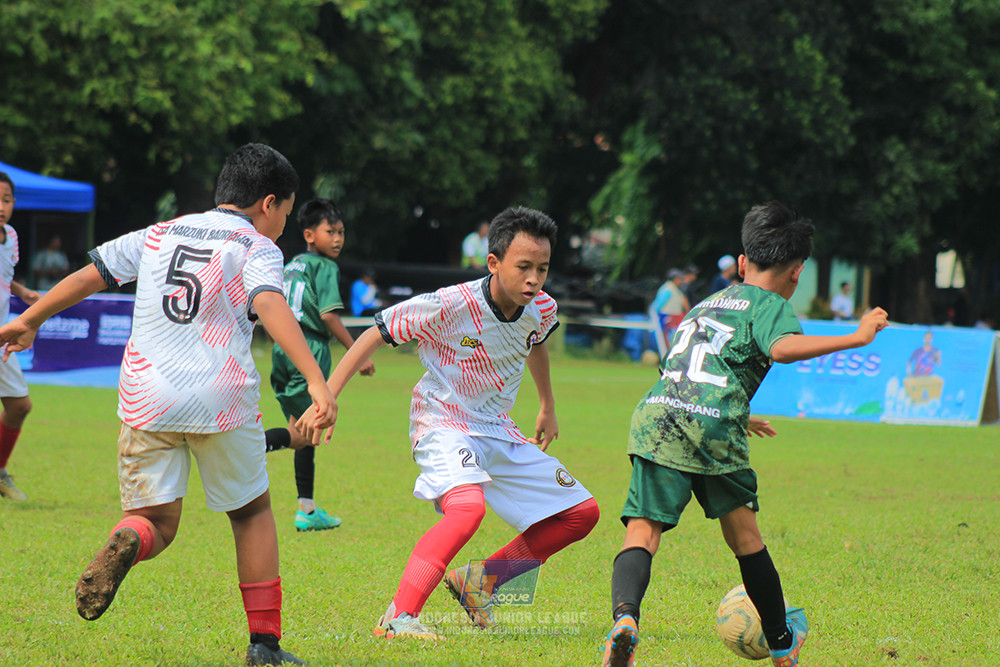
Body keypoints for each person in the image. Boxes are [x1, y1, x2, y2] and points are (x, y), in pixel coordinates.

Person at [0, 144, 337, 666]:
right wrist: (318, 381)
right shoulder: (256, 246)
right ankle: (264, 646)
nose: (283, 227)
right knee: (251, 513)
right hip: (221, 398)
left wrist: (32, 318)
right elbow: (268, 302)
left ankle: (126, 536)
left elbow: (94, 274)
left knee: (154, 520)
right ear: (268, 203)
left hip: (147, 394)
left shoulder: (159, 232)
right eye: (287, 216)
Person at [601, 201, 889, 667]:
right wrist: (855, 337)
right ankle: (780, 644)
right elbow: (784, 348)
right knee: (745, 539)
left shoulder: (707, 301)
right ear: (797, 273)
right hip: (710, 426)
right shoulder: (769, 304)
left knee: (643, 528)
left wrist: (740, 413)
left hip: (659, 416)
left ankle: (625, 621)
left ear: (741, 263)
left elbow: (682, 367)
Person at [302, 206, 599, 639]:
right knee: (467, 510)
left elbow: (536, 342)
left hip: (496, 425)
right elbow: (376, 332)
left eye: (542, 268)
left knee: (580, 513)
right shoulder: (452, 303)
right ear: (494, 263)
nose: (534, 279)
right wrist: (327, 393)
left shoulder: (541, 307)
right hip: (442, 419)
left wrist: (547, 405)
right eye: (524, 268)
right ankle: (398, 617)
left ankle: (481, 584)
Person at [264, 198, 375, 532]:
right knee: (304, 434)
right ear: (311, 235)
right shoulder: (326, 267)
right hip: (309, 349)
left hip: (283, 347)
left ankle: (307, 509)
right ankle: (250, 447)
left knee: (302, 428)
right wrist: (359, 354)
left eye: (341, 232)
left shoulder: (295, 262)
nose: (338, 239)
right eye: (331, 232)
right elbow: (328, 315)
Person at [0, 172, 41, 502]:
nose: (1, 207)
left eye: (7, 199)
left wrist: (22, 291)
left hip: (3, 336)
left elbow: (5, 275)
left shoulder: (11, 236)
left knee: (19, 406)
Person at [650, 268, 689, 343]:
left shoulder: (674, 288)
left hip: (673, 318)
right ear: (675, 279)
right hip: (666, 317)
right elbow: (657, 305)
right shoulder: (668, 289)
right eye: (680, 279)